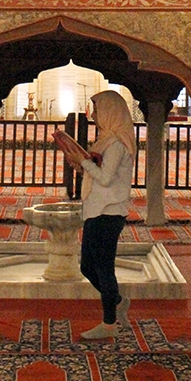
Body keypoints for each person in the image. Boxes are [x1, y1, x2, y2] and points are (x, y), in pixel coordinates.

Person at [68, 90, 135, 341]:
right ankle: (117, 301)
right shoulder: (105, 140)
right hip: (96, 210)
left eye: (97, 110)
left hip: (109, 212)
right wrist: (81, 163)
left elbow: (106, 179)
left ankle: (109, 324)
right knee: (87, 267)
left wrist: (83, 163)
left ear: (110, 111)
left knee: (104, 270)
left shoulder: (117, 143)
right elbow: (99, 171)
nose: (94, 115)